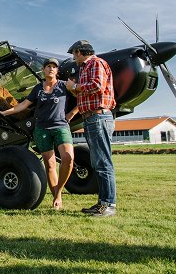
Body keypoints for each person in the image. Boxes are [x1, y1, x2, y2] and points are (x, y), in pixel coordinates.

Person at [0, 58, 76, 210]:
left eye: (54, 67)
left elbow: (82, 97)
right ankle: (56, 198)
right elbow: (23, 106)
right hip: (41, 129)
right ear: (44, 70)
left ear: (57, 71)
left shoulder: (64, 85)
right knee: (50, 164)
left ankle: (58, 191)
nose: (51, 69)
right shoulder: (38, 88)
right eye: (48, 66)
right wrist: (3, 113)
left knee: (68, 158)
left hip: (61, 127)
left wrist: (72, 113)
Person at [65, 40, 117, 217]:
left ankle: (108, 205)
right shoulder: (86, 68)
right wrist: (73, 88)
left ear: (79, 52)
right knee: (98, 162)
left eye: (74, 54)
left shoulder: (95, 63)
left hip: (98, 116)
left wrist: (75, 86)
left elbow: (97, 86)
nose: (73, 58)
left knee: (103, 162)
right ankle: (102, 203)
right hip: (92, 117)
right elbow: (85, 92)